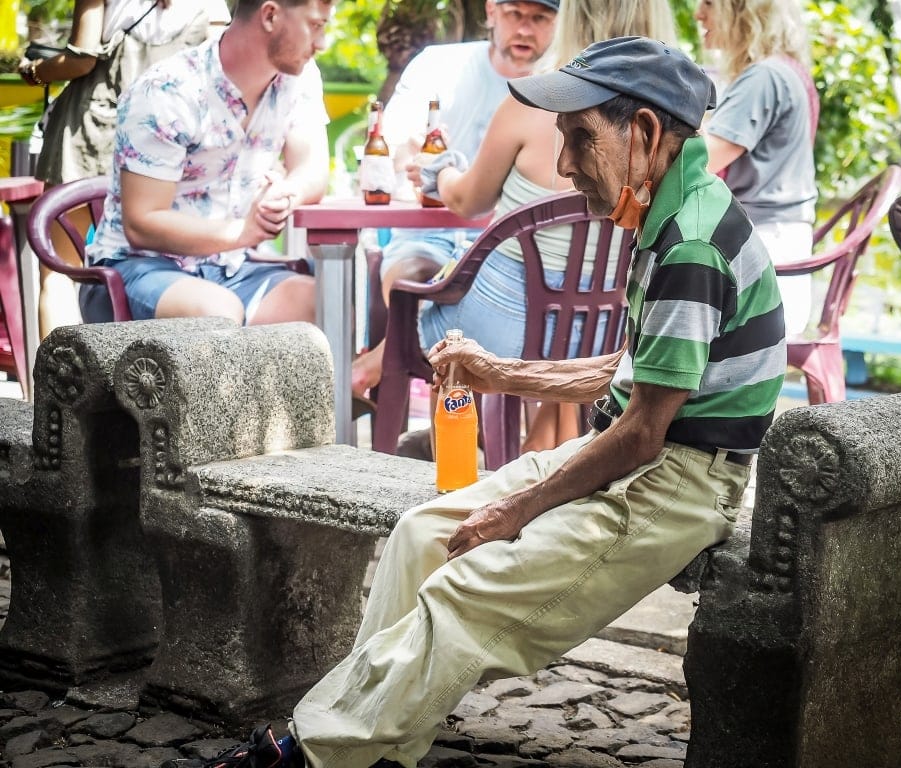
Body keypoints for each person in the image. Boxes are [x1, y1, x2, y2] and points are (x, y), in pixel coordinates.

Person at [172, 36, 786, 768]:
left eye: (578, 137)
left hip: (679, 483)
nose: (563, 164)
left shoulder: (690, 242)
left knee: (466, 590)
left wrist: (518, 509)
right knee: (424, 535)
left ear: (646, 133)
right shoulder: (666, 211)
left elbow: (645, 431)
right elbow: (634, 376)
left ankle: (310, 753)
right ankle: (368, 743)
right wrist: (500, 372)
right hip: (642, 455)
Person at [408, 0, 678, 454]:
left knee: (421, 302)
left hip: (504, 329)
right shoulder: (671, 130)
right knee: (562, 321)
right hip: (604, 328)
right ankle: (535, 458)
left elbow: (467, 200)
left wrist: (442, 172)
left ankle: (455, 465)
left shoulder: (532, 102)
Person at [350, 0, 560, 396]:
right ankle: (439, 425)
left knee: (474, 305)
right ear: (492, 12)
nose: (526, 30)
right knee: (416, 282)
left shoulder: (560, 89)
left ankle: (376, 372)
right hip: (430, 236)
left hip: (512, 256)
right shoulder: (438, 66)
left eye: (540, 18)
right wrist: (412, 151)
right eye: (516, 14)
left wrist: (442, 174)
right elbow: (387, 146)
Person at [81, 0, 333, 326]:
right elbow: (142, 224)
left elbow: (312, 170)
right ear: (269, 15)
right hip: (137, 268)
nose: (322, 43)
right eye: (315, 26)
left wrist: (285, 194)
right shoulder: (168, 90)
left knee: (329, 303)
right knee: (218, 314)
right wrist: (243, 232)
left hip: (231, 267)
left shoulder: (300, 79)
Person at [19, 0, 232, 339]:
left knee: (60, 270)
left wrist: (33, 71)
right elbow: (218, 65)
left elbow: (82, 59)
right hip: (166, 141)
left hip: (93, 132)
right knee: (161, 268)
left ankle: (63, 387)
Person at [695, 0, 819, 336]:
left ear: (742, 11)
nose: (698, 14)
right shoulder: (785, 70)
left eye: (708, 3)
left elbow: (698, 160)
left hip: (763, 266)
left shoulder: (764, 77)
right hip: (777, 251)